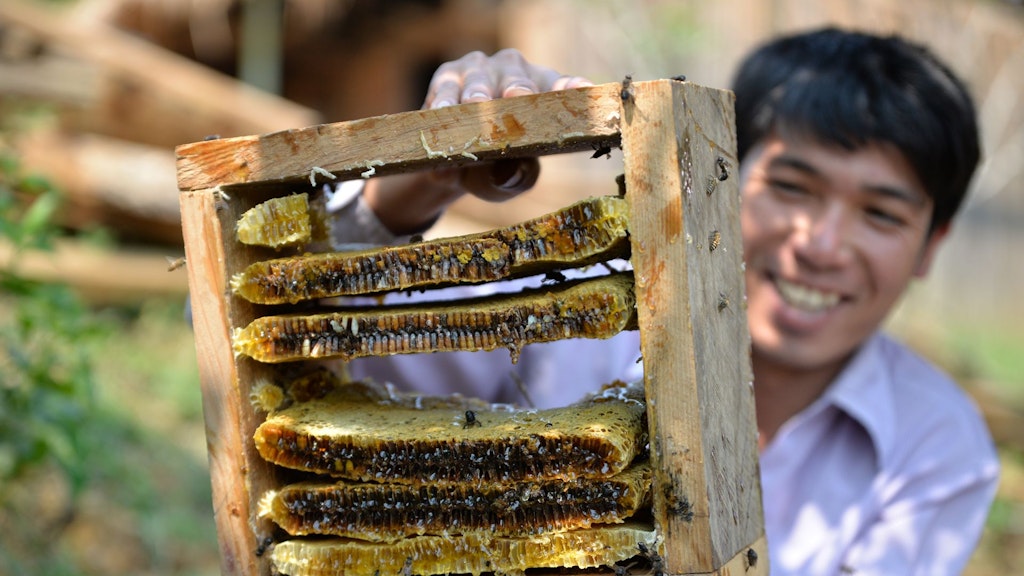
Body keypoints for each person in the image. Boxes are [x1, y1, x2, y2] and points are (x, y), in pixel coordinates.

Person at [326, 28, 999, 576]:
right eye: (792, 187)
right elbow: (328, 345)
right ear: (719, 178)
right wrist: (397, 201)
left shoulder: (937, 447)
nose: (819, 244)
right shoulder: (573, 315)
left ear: (930, 247)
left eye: (880, 213)